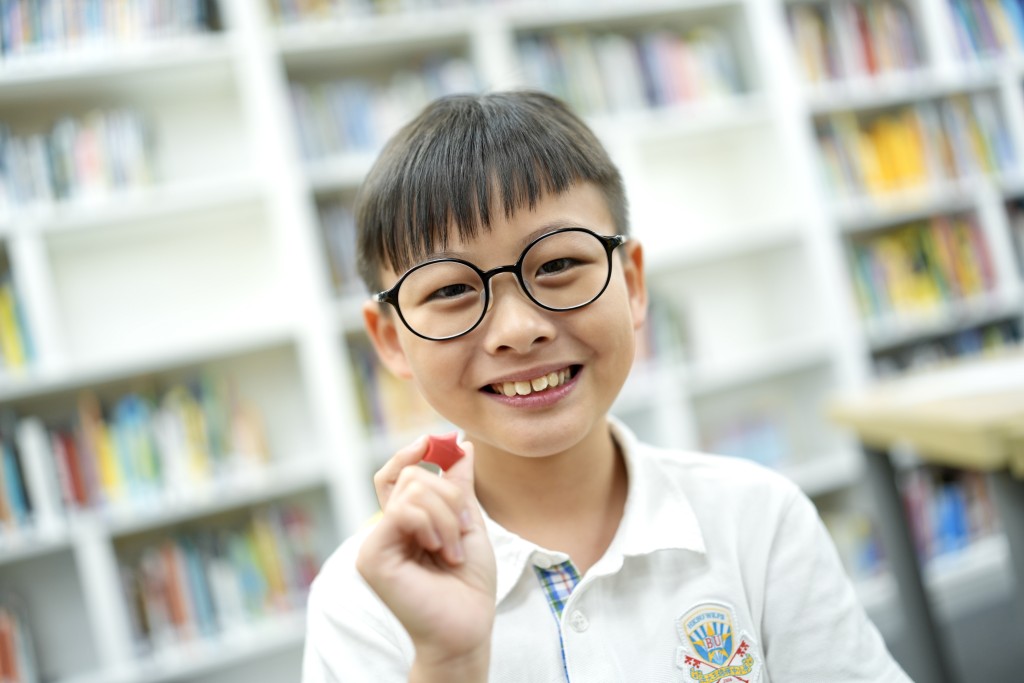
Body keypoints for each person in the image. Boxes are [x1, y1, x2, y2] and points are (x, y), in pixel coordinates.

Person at [301, 90, 910, 682]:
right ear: (388, 339)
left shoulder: (757, 520)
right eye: (450, 289)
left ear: (633, 283)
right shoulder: (362, 600)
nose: (517, 331)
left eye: (559, 265)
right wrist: (450, 665)